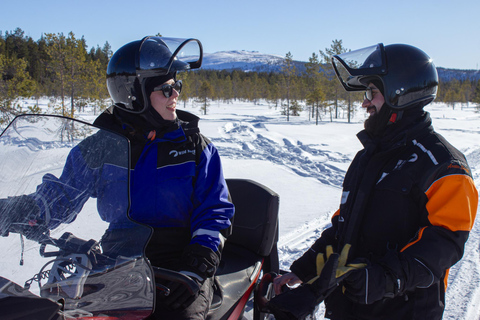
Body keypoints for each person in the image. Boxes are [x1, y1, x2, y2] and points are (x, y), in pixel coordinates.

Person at [0, 36, 235, 320]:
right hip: (118, 257)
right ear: (133, 94)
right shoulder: (99, 149)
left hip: (180, 257)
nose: (176, 95)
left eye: (177, 86)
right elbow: (59, 199)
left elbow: (214, 211)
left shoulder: (195, 147)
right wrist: (21, 210)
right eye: (166, 88)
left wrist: (199, 262)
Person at [270, 43, 478, 320]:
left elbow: (445, 243)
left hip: (405, 310)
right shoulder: (368, 157)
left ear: (399, 94)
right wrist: (304, 269)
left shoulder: (443, 164)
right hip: (348, 307)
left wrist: (385, 279)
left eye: (372, 92)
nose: (365, 102)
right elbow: (344, 226)